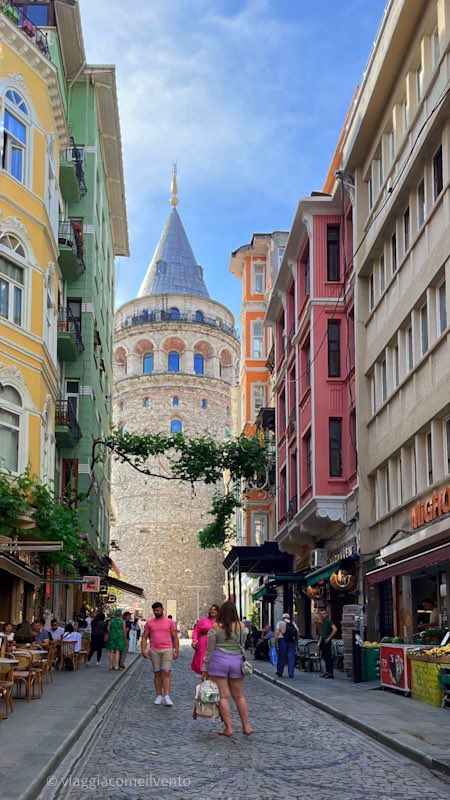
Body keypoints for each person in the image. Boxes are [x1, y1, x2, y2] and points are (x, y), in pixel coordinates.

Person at [202, 599, 253, 736]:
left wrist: (205, 668)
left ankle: (228, 728)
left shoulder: (215, 628)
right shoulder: (242, 627)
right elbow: (242, 644)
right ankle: (246, 727)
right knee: (239, 696)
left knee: (223, 696)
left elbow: (210, 650)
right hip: (236, 661)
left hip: (219, 661)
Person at [141, 602, 179, 706]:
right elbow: (144, 637)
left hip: (167, 649)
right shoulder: (149, 623)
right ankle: (159, 695)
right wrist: (143, 649)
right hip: (154, 650)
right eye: (154, 610)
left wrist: (176, 650)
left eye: (158, 610)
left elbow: (175, 637)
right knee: (157, 673)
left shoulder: (169, 622)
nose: (156, 612)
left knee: (166, 672)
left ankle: (166, 695)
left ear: (162, 609)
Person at [191, 604, 220, 675]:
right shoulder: (203, 620)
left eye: (214, 609)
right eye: (211, 609)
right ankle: (205, 679)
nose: (212, 611)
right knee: (203, 662)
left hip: (217, 643)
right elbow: (196, 631)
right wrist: (194, 640)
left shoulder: (221, 621)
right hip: (203, 643)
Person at [274, 613, 298, 678]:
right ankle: (291, 673)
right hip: (292, 641)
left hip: (282, 640)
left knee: (281, 656)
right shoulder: (293, 623)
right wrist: (296, 640)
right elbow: (297, 631)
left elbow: (277, 632)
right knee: (291, 657)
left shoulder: (280, 623)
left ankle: (280, 671)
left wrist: (275, 640)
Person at [317, 607, 338, 678]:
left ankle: (330, 673)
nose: (322, 615)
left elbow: (335, 629)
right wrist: (319, 642)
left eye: (324, 614)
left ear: (326, 614)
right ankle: (327, 671)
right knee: (325, 657)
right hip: (323, 640)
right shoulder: (323, 622)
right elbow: (321, 634)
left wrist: (329, 638)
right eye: (321, 614)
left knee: (328, 657)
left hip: (326, 640)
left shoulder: (329, 621)